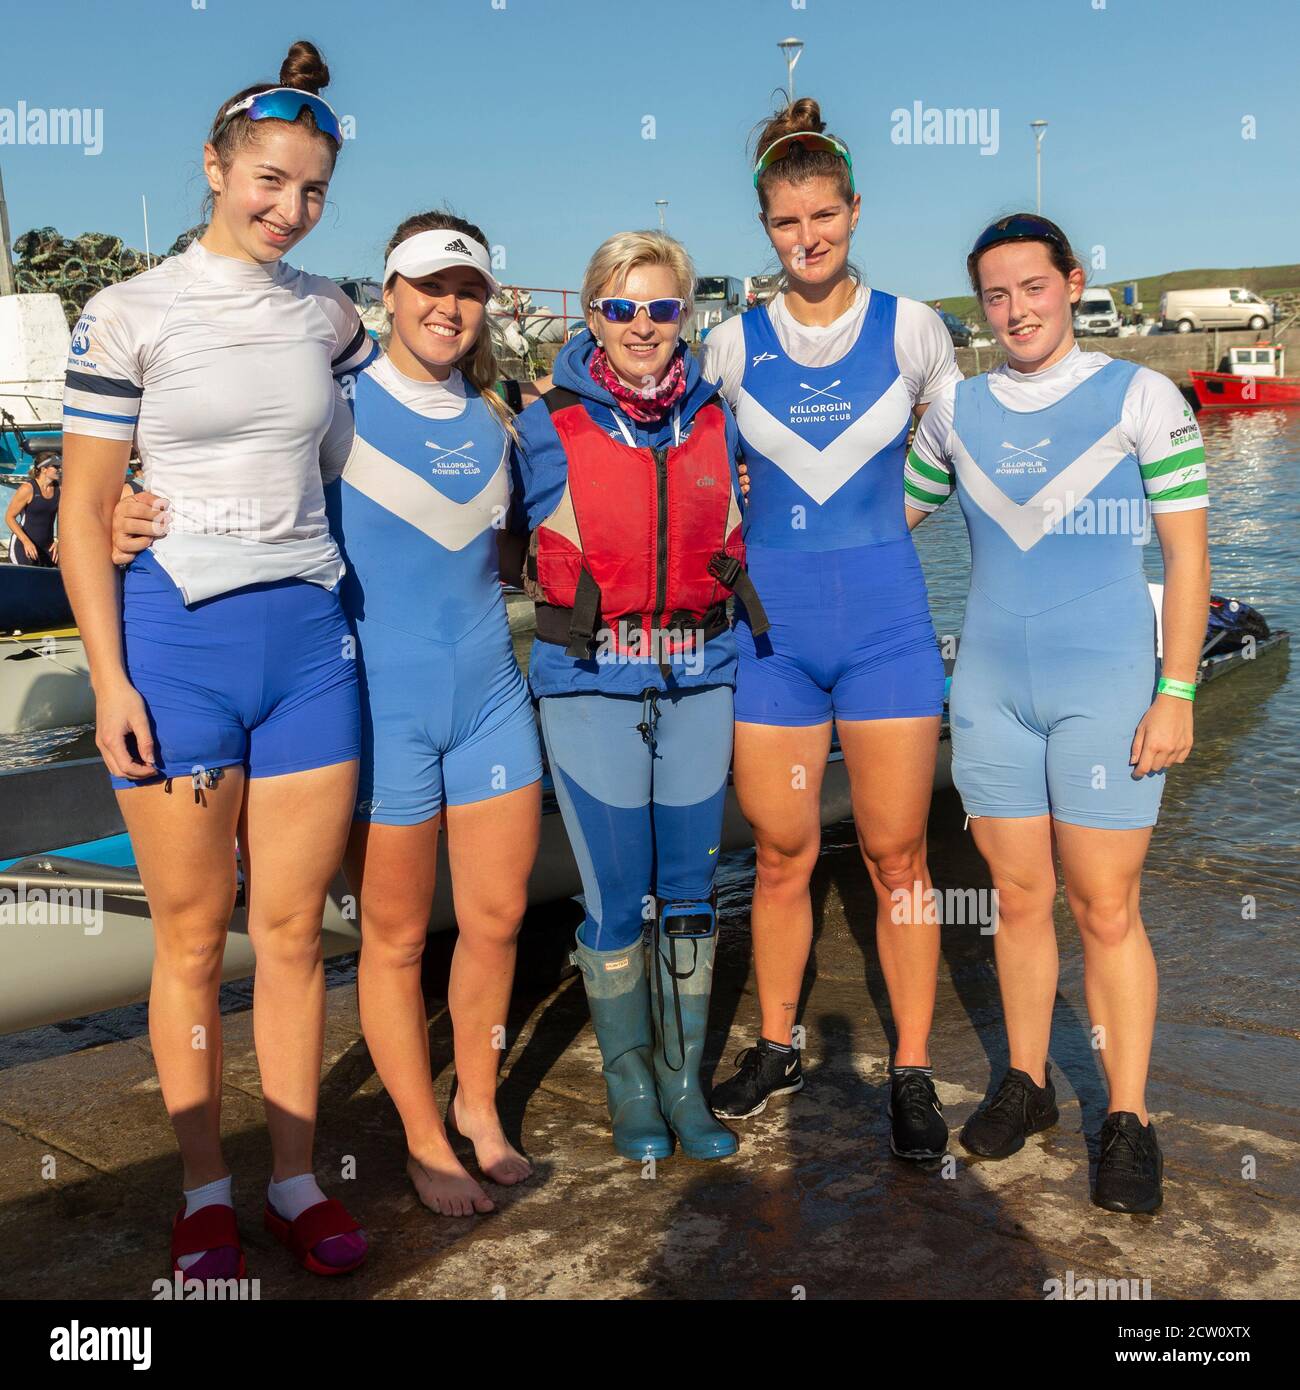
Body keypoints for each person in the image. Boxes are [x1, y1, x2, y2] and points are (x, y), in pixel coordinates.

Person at [114, 212, 545, 1220]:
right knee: (392, 943)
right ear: (384, 295)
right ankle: (424, 1138)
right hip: (375, 708)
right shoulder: (332, 404)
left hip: (490, 703)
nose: (448, 307)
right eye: (428, 287)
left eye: (467, 290)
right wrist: (117, 512)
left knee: (495, 920)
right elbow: (221, 483)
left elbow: (529, 546)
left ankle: (478, 1107)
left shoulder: (504, 416)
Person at [60, 41, 377, 1282]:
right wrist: (108, 681)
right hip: (177, 649)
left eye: (310, 191)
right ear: (214, 167)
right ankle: (201, 1192)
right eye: (267, 179)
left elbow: (378, 451)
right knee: (194, 940)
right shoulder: (128, 309)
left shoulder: (329, 311)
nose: (286, 208)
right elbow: (88, 517)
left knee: (294, 933)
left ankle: (295, 1180)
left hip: (309, 651)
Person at [906, 212, 1210, 1213]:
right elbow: (879, 517)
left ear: (1071, 283)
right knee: (1016, 899)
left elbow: (1185, 557)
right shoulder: (954, 407)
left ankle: (1126, 1116)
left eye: (1031, 287)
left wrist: (1175, 691)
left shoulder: (1142, 396)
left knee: (1105, 908)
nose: (1014, 310)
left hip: (1108, 688)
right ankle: (1026, 1083)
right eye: (993, 295)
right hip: (990, 690)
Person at [701, 98, 961, 1159]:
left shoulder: (911, 327)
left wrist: (879, 521)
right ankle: (777, 1044)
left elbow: (957, 444)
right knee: (779, 851)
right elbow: (686, 467)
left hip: (887, 625)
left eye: (823, 216)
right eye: (784, 223)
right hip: (773, 639)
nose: (806, 239)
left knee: (899, 853)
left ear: (854, 210)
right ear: (764, 226)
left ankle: (909, 1070)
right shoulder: (726, 342)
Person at [512, 230, 760, 1162]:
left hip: (699, 678)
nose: (643, 327)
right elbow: (468, 536)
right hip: (590, 687)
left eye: (662, 308)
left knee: (691, 896)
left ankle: (685, 1087)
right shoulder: (544, 425)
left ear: (686, 317)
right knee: (619, 903)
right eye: (622, 309)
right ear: (593, 317)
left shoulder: (718, 417)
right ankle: (631, 1094)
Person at [6, 454, 61, 566]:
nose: (60, 469)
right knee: (24, 582)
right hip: (24, 547)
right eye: (56, 467)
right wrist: (26, 542)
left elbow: (63, 518)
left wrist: (59, 540)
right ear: (44, 469)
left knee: (49, 582)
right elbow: (9, 517)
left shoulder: (59, 489)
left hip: (48, 548)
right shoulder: (28, 489)